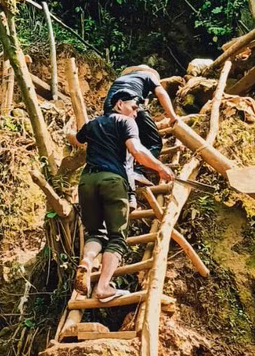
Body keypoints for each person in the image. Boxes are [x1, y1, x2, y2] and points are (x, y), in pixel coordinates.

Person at [69, 95, 174, 301]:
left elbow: (76, 139)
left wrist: (68, 134)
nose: (136, 113)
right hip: (113, 182)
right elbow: (136, 150)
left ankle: (87, 262)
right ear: (119, 104)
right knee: (117, 237)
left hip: (86, 182)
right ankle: (103, 287)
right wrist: (160, 167)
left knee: (95, 233)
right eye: (133, 108)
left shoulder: (93, 124)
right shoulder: (126, 122)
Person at [103, 65, 178, 170]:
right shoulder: (148, 75)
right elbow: (161, 93)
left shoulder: (121, 79)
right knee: (154, 142)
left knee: (121, 140)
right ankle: (139, 169)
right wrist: (173, 117)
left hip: (110, 108)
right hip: (131, 105)